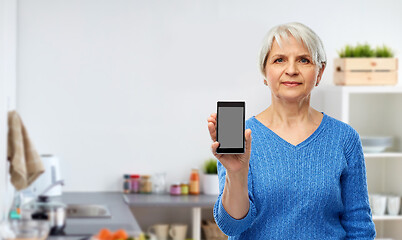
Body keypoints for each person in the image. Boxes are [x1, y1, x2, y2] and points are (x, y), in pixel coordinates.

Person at [207, 22, 376, 239]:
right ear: (264, 72)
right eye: (279, 60)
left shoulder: (344, 138)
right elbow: (232, 227)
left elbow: (359, 225)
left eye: (304, 60)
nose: (292, 70)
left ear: (320, 72)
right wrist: (236, 173)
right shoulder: (242, 136)